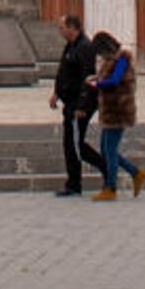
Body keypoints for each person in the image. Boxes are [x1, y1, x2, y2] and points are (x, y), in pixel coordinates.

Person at [86, 31, 145, 201]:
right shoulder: (111, 61)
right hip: (110, 110)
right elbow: (106, 78)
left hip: (119, 110)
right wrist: (95, 79)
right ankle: (136, 173)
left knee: (110, 150)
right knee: (107, 150)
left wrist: (97, 84)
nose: (99, 55)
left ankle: (110, 188)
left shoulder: (122, 59)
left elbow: (114, 80)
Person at [48, 14, 99, 196]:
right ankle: (74, 184)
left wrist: (82, 106)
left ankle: (106, 168)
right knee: (71, 144)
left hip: (80, 104)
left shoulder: (85, 47)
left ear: (72, 28)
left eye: (62, 27)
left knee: (75, 144)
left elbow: (89, 78)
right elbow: (65, 72)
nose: (60, 31)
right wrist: (57, 93)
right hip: (70, 102)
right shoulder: (71, 46)